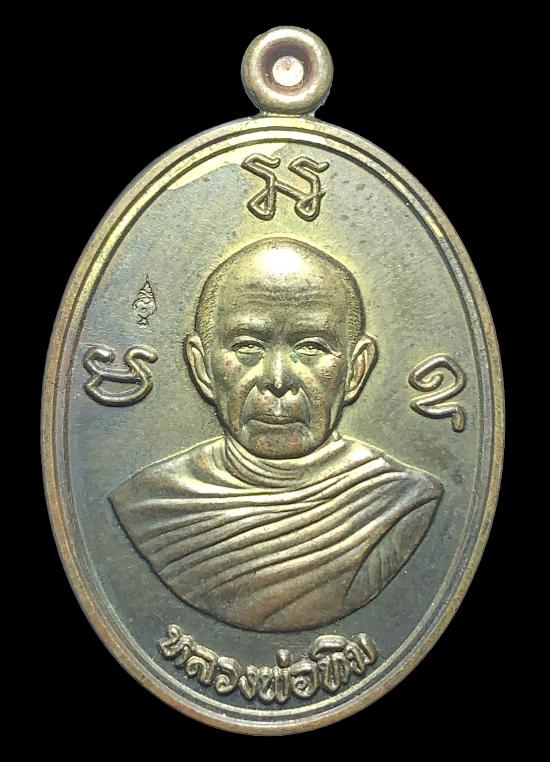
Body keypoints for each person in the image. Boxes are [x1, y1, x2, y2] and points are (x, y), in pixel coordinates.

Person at [110, 237, 443, 632]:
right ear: (201, 367)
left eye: (312, 347)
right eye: (247, 347)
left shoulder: (401, 503)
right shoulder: (151, 505)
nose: (278, 379)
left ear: (356, 369)